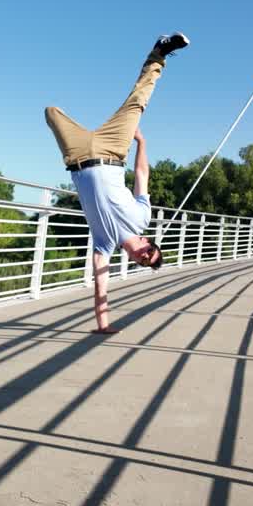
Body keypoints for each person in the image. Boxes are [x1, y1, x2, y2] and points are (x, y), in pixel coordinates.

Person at [44, 32, 190, 335]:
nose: (143, 258)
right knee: (137, 104)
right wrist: (142, 143)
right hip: (113, 150)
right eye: (150, 255)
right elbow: (142, 177)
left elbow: (101, 285)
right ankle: (160, 53)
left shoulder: (104, 244)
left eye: (144, 263)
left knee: (50, 112)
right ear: (148, 243)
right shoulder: (142, 217)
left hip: (79, 154)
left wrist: (104, 326)